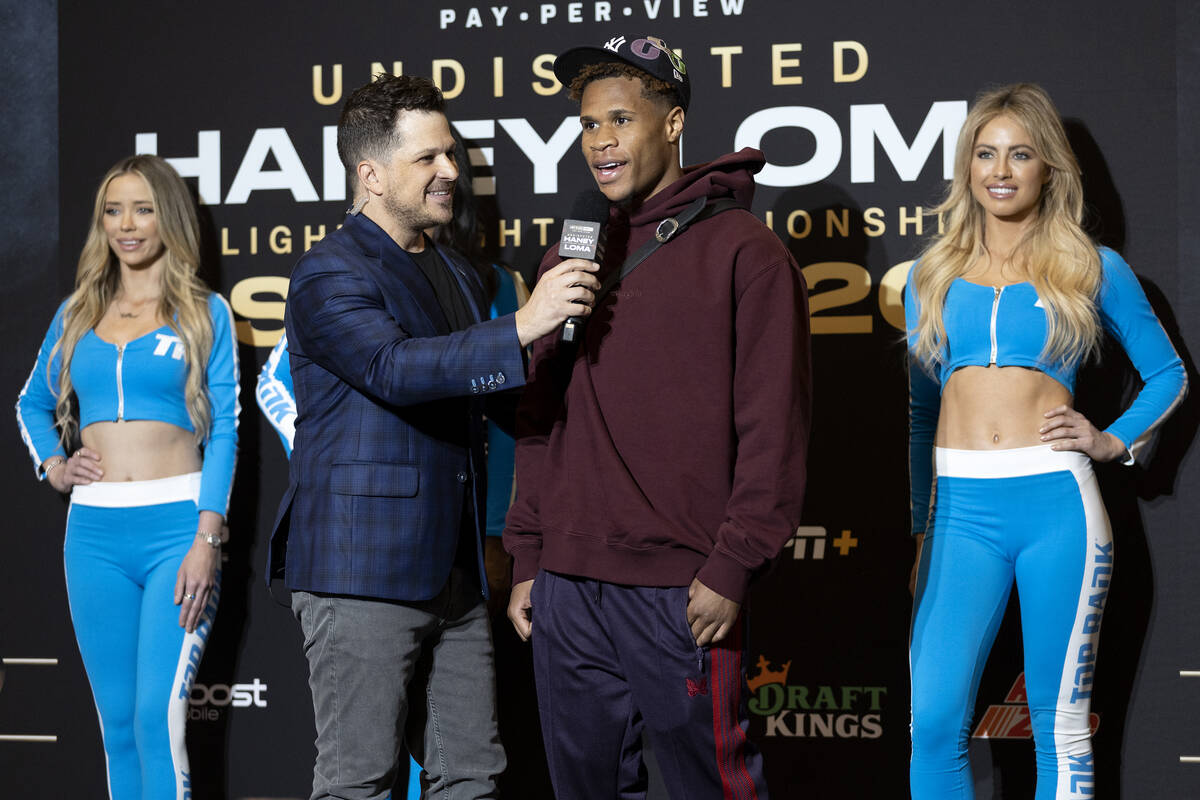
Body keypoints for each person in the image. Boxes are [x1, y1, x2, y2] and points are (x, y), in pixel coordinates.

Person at [265, 73, 599, 800]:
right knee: (360, 781)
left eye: (451, 154)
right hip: (360, 570)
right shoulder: (328, 272)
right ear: (371, 174)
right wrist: (520, 326)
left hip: (454, 572)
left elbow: (489, 390)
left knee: (473, 777)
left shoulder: (452, 269)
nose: (453, 171)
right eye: (429, 159)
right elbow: (392, 368)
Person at [503, 34, 812, 799]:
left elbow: (774, 429)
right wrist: (529, 556)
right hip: (568, 587)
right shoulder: (566, 255)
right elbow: (541, 418)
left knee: (711, 788)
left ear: (672, 123)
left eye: (619, 120)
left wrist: (733, 564)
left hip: (680, 588)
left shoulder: (747, 253)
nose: (600, 143)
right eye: (586, 126)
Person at [904, 83, 1187, 798]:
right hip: (960, 515)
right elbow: (921, 414)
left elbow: (1168, 375)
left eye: (1020, 154)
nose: (1001, 170)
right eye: (986, 154)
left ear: (1048, 170)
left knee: (1061, 727)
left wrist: (1111, 439)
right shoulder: (931, 277)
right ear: (968, 167)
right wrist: (919, 530)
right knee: (933, 723)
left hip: (1057, 508)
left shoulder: (1091, 267)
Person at [15, 154, 240, 800]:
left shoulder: (205, 312)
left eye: (142, 208)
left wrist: (207, 537)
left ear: (167, 215)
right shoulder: (77, 313)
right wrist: (55, 466)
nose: (127, 225)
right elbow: (30, 402)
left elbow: (225, 429)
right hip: (92, 536)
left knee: (155, 716)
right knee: (116, 725)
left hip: (177, 530)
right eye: (113, 210)